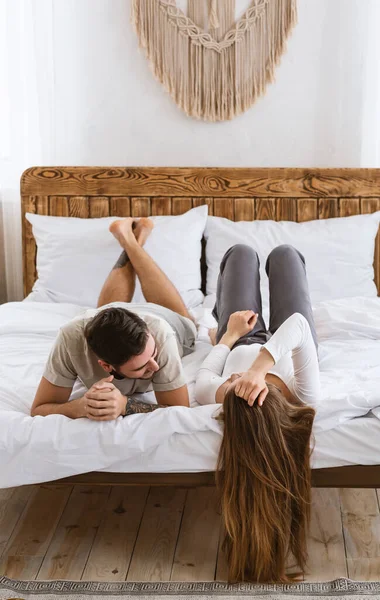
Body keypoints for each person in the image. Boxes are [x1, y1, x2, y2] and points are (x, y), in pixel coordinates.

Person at [195, 243, 320, 583]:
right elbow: (297, 326)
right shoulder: (303, 396)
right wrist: (257, 371)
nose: (233, 379)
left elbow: (204, 379)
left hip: (239, 337)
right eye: (238, 382)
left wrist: (227, 337)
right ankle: (222, 320)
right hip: (291, 345)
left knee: (240, 254)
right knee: (285, 256)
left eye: (232, 383)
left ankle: (218, 322)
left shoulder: (225, 397)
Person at [31, 218, 197, 420]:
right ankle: (132, 240)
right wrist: (79, 407)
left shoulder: (160, 334)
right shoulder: (70, 337)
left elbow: (179, 410)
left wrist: (126, 405)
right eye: (141, 367)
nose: (155, 366)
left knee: (186, 319)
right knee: (104, 311)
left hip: (163, 318)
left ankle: (129, 240)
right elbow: (39, 409)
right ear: (106, 366)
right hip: (111, 313)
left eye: (153, 354)